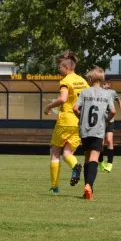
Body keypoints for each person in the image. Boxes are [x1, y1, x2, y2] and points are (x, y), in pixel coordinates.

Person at [44, 51, 89, 194]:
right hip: (78, 121)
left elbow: (63, 99)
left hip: (65, 120)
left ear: (67, 68)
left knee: (55, 152)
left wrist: (49, 106)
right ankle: (75, 165)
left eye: (60, 67)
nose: (58, 70)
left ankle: (55, 187)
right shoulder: (83, 81)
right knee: (67, 152)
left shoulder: (65, 81)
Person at [73, 67, 116, 199]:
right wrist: (107, 121)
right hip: (98, 129)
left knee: (87, 158)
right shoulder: (107, 94)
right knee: (94, 158)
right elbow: (113, 111)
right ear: (102, 79)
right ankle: (89, 185)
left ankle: (88, 189)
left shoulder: (84, 93)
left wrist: (81, 117)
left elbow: (75, 108)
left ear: (90, 79)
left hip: (85, 129)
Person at [98, 80, 121, 173]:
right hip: (100, 121)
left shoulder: (112, 92)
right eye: (102, 84)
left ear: (109, 85)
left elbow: (119, 102)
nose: (104, 85)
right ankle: (101, 162)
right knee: (101, 144)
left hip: (110, 120)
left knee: (109, 141)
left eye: (105, 84)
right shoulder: (98, 92)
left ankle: (109, 164)